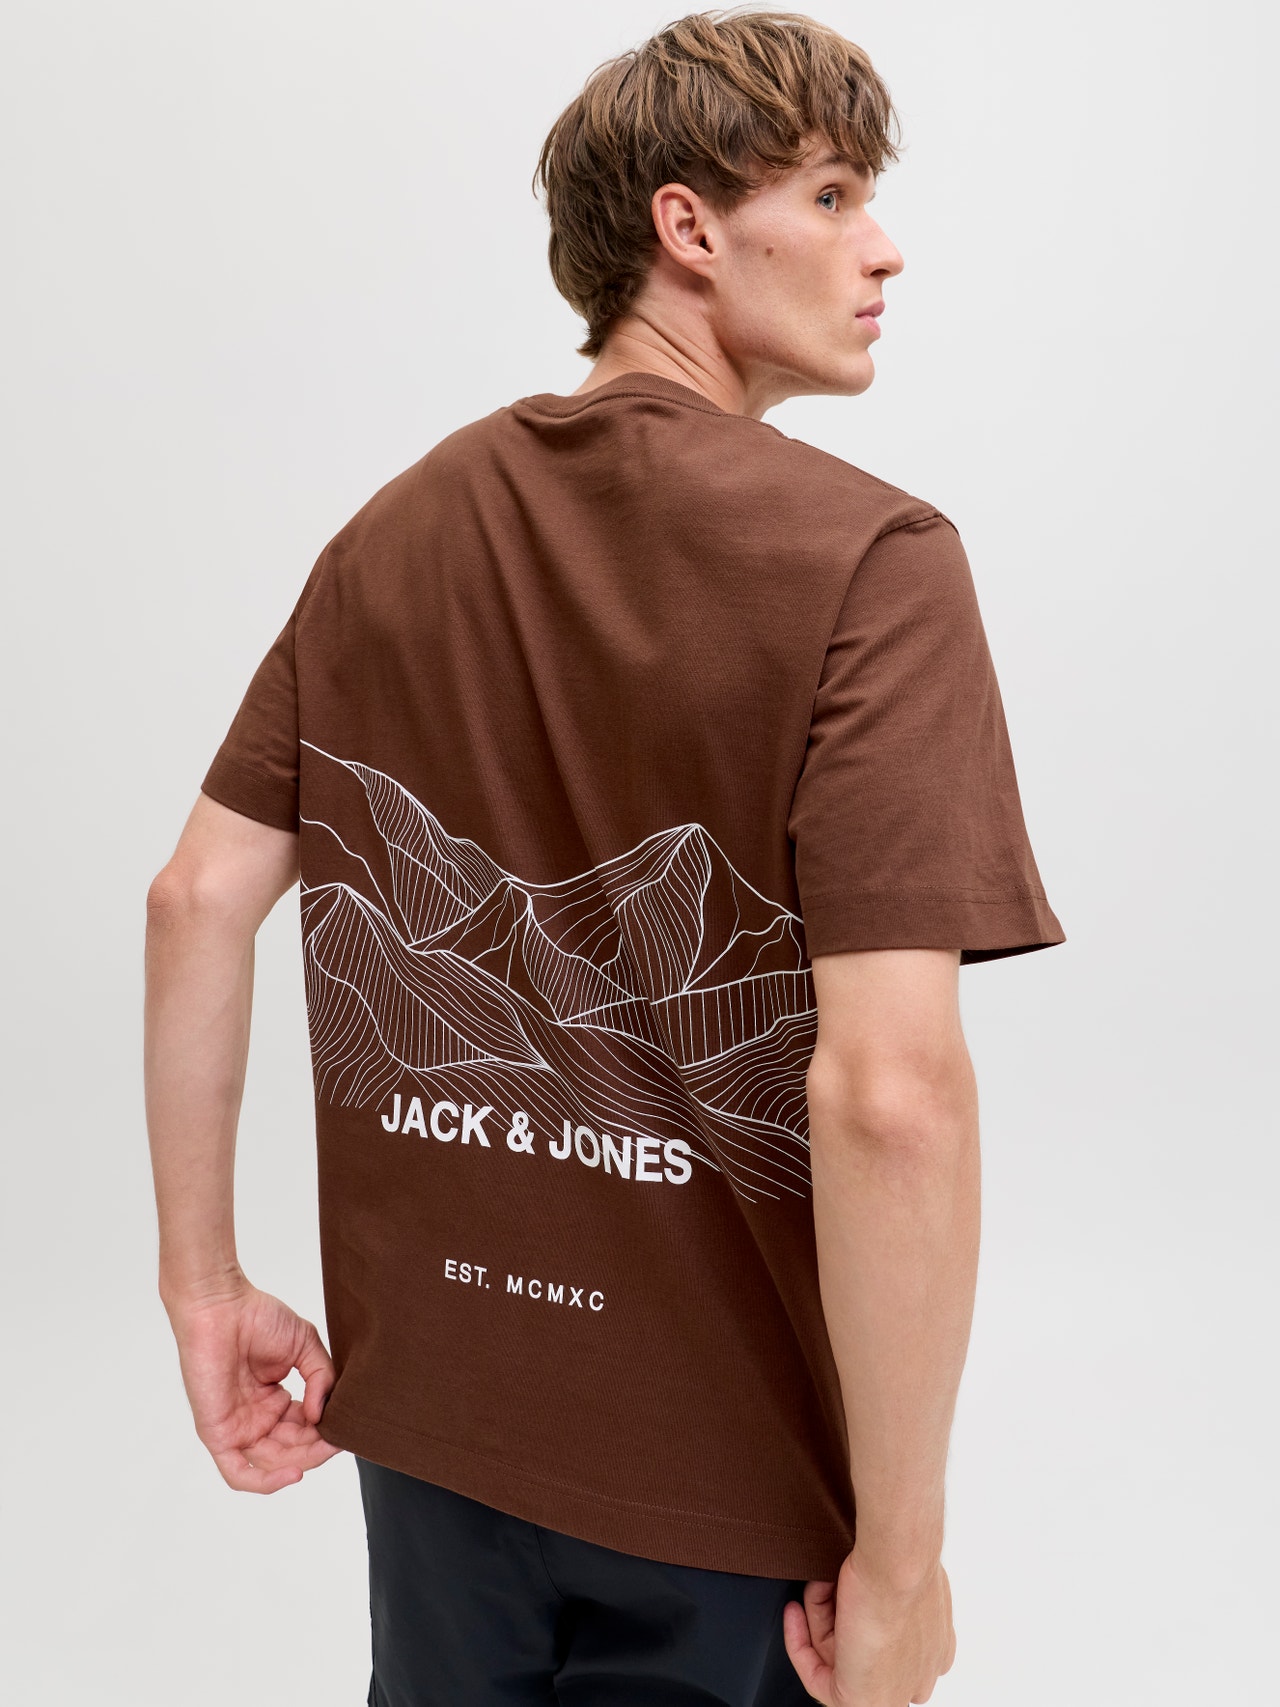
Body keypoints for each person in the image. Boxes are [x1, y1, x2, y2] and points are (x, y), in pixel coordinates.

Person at [144, 9, 1065, 1704]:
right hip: (728, 1505)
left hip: (432, 1439)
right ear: (688, 228)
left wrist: (203, 1288)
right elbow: (891, 1096)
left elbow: (196, 897)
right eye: (835, 196)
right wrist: (904, 1561)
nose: (884, 248)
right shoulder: (873, 567)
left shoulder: (399, 527)